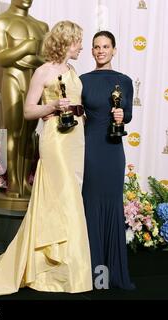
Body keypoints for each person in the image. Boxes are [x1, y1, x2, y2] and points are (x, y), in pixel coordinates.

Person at [0, 21, 92, 297]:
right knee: (63, 198)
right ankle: (52, 268)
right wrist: (51, 107)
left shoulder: (73, 71)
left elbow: (75, 101)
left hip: (75, 141)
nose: (82, 47)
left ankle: (66, 268)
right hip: (55, 141)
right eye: (78, 42)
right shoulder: (43, 71)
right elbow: (27, 111)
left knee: (70, 197)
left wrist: (80, 113)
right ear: (65, 41)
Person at [80, 31, 135, 290]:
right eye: (96, 47)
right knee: (90, 206)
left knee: (112, 207)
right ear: (91, 51)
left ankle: (112, 275)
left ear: (114, 49)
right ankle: (93, 276)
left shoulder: (124, 81)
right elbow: (75, 116)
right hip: (90, 150)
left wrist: (122, 115)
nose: (100, 51)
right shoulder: (82, 81)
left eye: (105, 46)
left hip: (113, 150)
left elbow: (129, 115)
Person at [0, 0, 48, 198]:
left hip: (35, 82)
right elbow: (1, 58)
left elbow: (46, 61)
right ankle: (13, 181)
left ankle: (25, 180)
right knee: (14, 130)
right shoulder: (1, 22)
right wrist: (26, 47)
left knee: (30, 133)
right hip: (13, 79)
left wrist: (30, 59)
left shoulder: (41, 26)